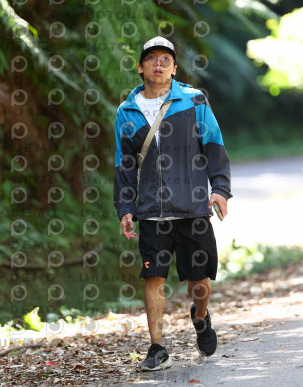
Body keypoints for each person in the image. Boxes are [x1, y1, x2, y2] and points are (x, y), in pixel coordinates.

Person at [113, 36, 232, 371]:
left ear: (175, 68)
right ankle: (157, 347)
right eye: (152, 58)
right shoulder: (127, 112)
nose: (159, 63)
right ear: (141, 67)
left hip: (192, 207)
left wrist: (220, 189)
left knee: (200, 281)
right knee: (154, 277)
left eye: (165, 59)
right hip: (152, 212)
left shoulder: (194, 100)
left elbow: (214, 145)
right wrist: (125, 207)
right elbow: (125, 164)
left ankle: (201, 317)